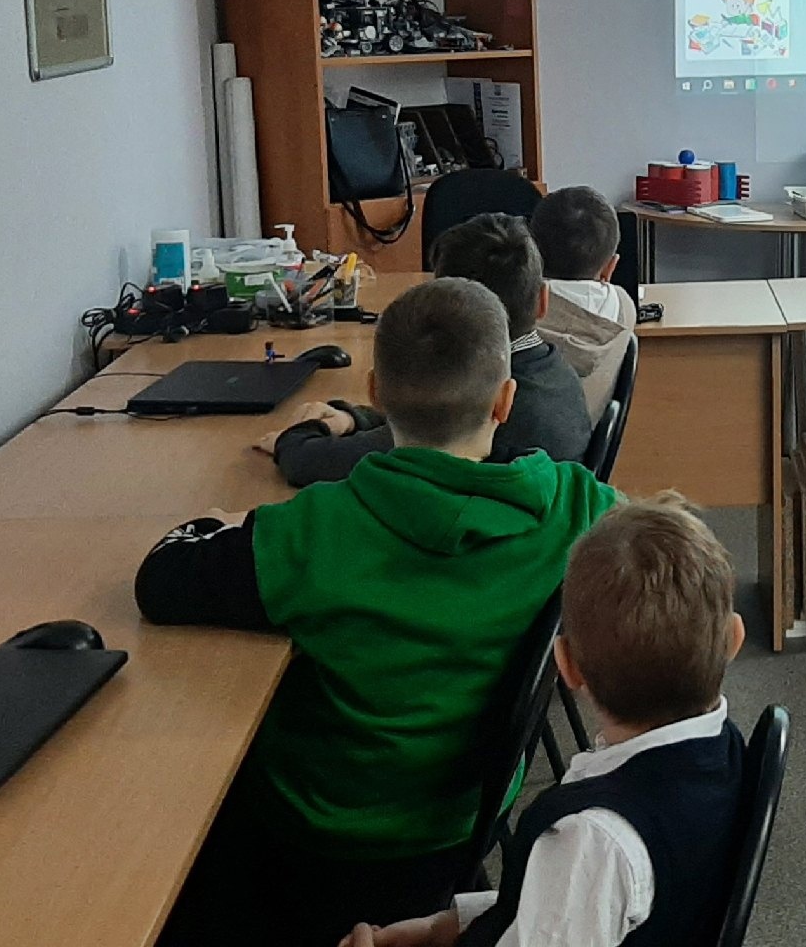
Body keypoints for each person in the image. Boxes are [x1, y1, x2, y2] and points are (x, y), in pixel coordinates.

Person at [139, 278, 619, 947]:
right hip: (465, 824)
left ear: (374, 393)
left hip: (317, 837)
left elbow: (159, 582)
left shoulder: (317, 529)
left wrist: (215, 524)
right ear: (506, 400)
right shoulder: (579, 507)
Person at [341, 495, 748, 947]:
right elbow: (572, 908)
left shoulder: (592, 841)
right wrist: (446, 925)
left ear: (566, 667)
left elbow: (579, 897)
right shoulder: (725, 753)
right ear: (733, 639)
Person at [268, 215, 595, 484]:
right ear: (543, 301)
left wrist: (298, 436)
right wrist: (352, 419)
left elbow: (313, 464)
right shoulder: (555, 373)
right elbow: (418, 413)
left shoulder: (479, 413)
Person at [530, 186, 636, 418]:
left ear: (532, 253)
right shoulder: (625, 307)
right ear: (610, 267)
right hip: (587, 436)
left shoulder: (519, 317)